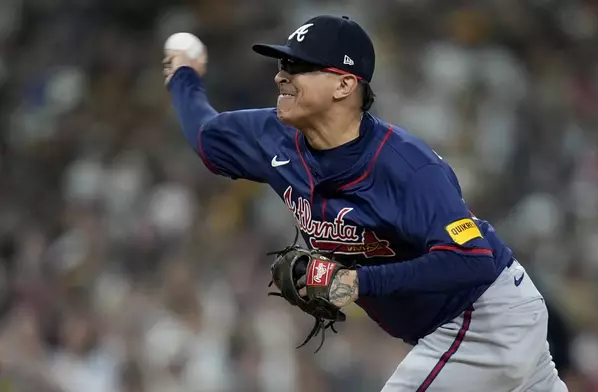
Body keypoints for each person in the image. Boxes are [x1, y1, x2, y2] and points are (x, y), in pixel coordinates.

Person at [163, 14, 568, 392]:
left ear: (344, 85)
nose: (281, 76)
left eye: (299, 67)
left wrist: (358, 283)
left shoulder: (406, 166)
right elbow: (206, 136)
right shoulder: (271, 136)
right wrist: (183, 76)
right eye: (283, 65)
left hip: (483, 318)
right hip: (467, 328)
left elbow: (472, 258)